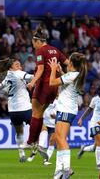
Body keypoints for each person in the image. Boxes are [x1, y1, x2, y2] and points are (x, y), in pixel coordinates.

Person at [26, 27, 69, 156]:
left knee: (35, 113)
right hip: (54, 87)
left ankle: (31, 141)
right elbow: (67, 62)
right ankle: (36, 142)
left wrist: (32, 83)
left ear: (37, 41)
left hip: (43, 86)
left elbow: (40, 70)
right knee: (40, 114)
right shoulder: (55, 50)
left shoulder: (41, 51)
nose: (33, 46)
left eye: (33, 43)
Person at [48, 52, 88, 178]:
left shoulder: (72, 75)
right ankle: (59, 171)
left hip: (66, 110)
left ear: (71, 63)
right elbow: (68, 83)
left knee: (60, 139)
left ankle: (66, 168)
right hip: (65, 109)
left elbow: (52, 83)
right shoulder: (74, 75)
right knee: (59, 140)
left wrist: (53, 70)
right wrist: (61, 72)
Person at [0, 58, 33, 162]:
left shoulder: (6, 78)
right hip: (25, 108)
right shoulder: (19, 73)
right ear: (11, 68)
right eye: (17, 65)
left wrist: (7, 94)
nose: (19, 67)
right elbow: (32, 77)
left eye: (20, 65)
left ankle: (21, 153)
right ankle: (30, 145)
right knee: (39, 126)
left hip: (13, 111)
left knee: (19, 132)